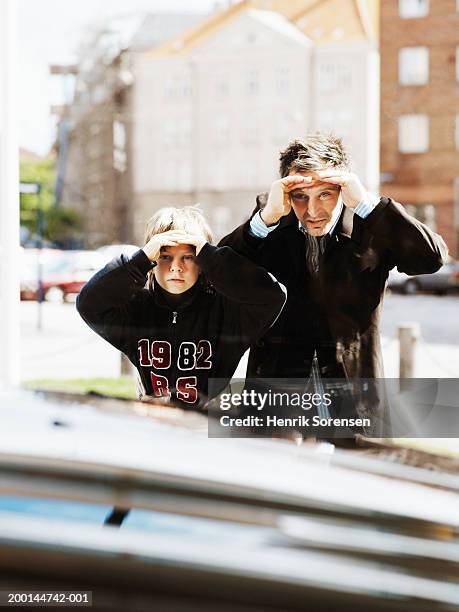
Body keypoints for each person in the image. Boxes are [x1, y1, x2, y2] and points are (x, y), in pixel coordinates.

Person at [219, 133, 449, 437]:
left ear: (342, 188)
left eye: (325, 194)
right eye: (301, 196)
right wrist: (265, 220)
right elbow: (219, 274)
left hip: (352, 395)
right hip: (276, 395)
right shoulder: (271, 215)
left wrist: (368, 204)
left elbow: (431, 257)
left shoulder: (371, 220)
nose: (312, 211)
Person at [76, 205, 286, 410]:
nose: (176, 267)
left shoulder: (227, 310)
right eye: (164, 256)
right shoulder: (137, 308)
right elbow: (89, 303)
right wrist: (140, 260)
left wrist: (209, 256)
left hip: (206, 427)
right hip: (154, 424)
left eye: (188, 257)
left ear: (201, 262)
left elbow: (273, 296)